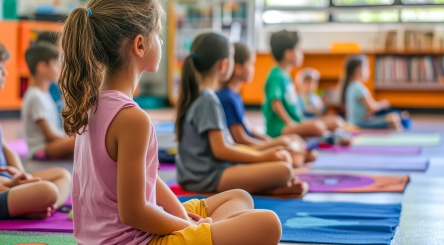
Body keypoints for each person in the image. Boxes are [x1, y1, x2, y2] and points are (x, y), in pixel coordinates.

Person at [60, 2, 282, 245]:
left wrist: (179, 215)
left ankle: (215, 233)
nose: (161, 41)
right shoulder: (131, 118)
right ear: (140, 45)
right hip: (134, 240)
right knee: (269, 223)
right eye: (157, 34)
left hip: (108, 236)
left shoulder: (90, 104)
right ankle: (215, 233)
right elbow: (134, 213)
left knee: (239, 197)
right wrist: (188, 227)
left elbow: (148, 178)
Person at [176, 33, 309, 196]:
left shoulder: (203, 95)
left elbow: (229, 144)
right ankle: (271, 188)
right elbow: (221, 150)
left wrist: (263, 154)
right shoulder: (208, 99)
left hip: (203, 174)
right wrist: (261, 157)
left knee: (282, 162)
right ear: (223, 65)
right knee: (285, 170)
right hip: (207, 177)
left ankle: (271, 188)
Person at [0, 43, 71, 221]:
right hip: (4, 185)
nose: (6, 74)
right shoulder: (34, 95)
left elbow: (5, 148)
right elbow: (48, 134)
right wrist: (9, 184)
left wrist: (20, 173)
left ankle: (41, 207)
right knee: (48, 190)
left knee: (64, 175)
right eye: (1, 69)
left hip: (9, 180)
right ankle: (34, 204)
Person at [216, 42, 317, 166]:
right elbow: (240, 139)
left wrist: (271, 142)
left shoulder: (235, 95)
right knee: (286, 144)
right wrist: (268, 147)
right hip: (245, 149)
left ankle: (298, 155)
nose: (254, 69)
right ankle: (297, 155)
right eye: (251, 64)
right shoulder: (227, 97)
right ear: (237, 68)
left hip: (252, 144)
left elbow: (250, 130)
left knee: (290, 140)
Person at [263, 30, 348, 142]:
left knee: (336, 121)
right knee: (316, 127)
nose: (301, 53)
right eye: (298, 49)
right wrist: (290, 123)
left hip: (296, 122)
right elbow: (275, 102)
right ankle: (328, 138)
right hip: (279, 128)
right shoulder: (276, 75)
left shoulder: (286, 76)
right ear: (288, 54)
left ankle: (327, 136)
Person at [21, 42, 74, 159]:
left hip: (50, 145)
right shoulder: (35, 96)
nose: (59, 68)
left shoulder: (45, 93)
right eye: (55, 64)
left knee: (78, 141)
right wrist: (69, 140)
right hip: (40, 149)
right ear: (42, 67)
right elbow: (49, 134)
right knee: (77, 142)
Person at [341, 55, 411, 130]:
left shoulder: (351, 86)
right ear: (358, 70)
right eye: (367, 67)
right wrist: (383, 103)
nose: (369, 71)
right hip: (359, 124)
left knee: (394, 116)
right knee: (393, 118)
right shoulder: (358, 88)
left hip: (354, 122)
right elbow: (372, 108)